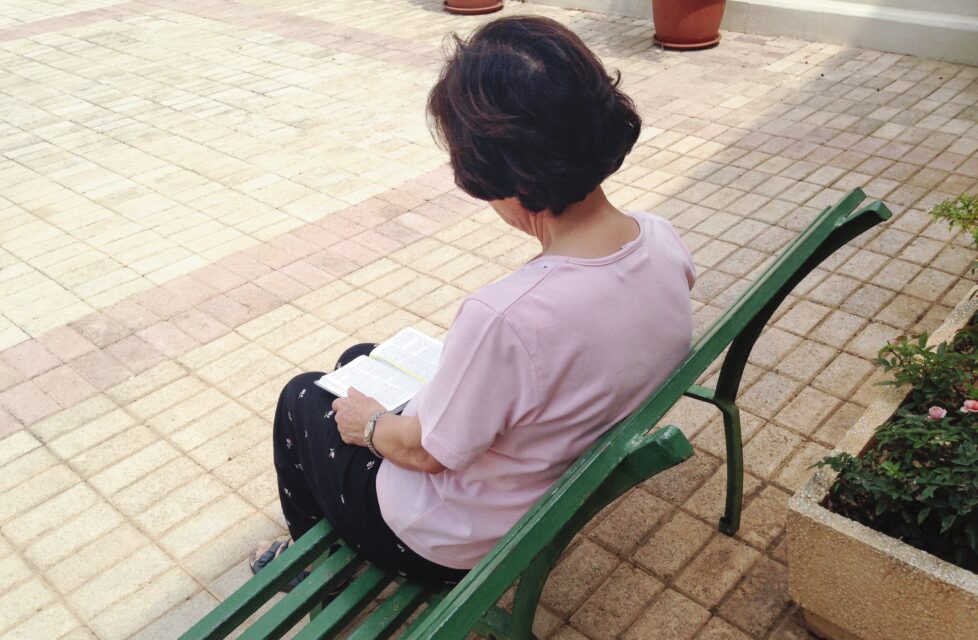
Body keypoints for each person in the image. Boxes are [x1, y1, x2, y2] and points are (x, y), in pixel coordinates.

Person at [250, 15, 696, 588]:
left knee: (305, 400)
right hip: (547, 474)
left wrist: (369, 426)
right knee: (360, 359)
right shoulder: (659, 238)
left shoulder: (507, 317)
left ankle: (308, 567)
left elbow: (426, 454)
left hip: (453, 539)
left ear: (499, 172)